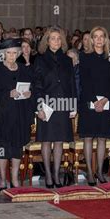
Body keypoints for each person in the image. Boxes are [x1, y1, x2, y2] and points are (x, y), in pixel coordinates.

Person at [34, 27, 77, 188]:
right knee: (46, 140)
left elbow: (72, 84)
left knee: (59, 140)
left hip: (63, 104)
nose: (56, 41)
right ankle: (48, 175)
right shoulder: (40, 59)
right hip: (47, 103)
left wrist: (73, 106)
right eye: (53, 38)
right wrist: (39, 107)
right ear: (47, 41)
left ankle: (56, 174)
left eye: (59, 38)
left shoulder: (67, 59)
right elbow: (37, 85)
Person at [77, 26, 110, 185]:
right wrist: (95, 100)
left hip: (106, 102)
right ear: (92, 39)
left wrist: (105, 99)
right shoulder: (85, 56)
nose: (99, 39)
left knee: (102, 138)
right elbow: (85, 82)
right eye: (96, 36)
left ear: (106, 39)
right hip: (89, 101)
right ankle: (89, 171)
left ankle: (100, 171)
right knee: (88, 137)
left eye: (102, 36)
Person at [0, 38, 33, 190]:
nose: (11, 55)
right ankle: (3, 179)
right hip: (2, 115)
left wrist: (29, 94)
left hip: (20, 114)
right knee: (3, 147)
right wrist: (8, 93)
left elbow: (31, 88)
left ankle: (15, 179)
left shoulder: (23, 69)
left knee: (16, 147)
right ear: (3, 54)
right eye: (8, 53)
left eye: (14, 53)